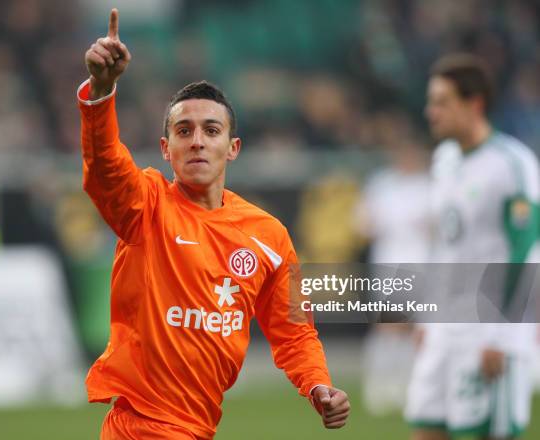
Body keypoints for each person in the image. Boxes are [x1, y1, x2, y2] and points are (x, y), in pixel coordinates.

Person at [77, 9, 349, 440]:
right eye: (184, 131)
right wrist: (101, 91)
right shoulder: (145, 205)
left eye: (210, 130)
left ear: (233, 147)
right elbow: (105, 169)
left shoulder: (269, 234)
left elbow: (295, 332)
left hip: (198, 427)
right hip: (141, 427)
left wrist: (317, 384)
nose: (198, 140)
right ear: (166, 149)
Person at [405, 53, 540, 440]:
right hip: (444, 329)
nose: (431, 112)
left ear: (474, 103)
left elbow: (525, 251)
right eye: (431, 101)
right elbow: (445, 243)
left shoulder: (513, 164)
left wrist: (502, 335)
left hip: (488, 331)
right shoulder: (445, 159)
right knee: (424, 430)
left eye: (442, 102)